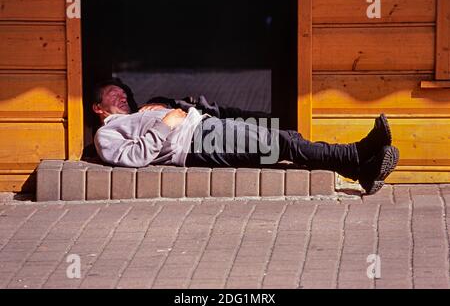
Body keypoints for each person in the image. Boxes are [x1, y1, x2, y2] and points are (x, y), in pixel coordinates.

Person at [91, 78, 399, 195]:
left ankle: (359, 169)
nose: (121, 97)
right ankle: (355, 154)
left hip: (204, 129)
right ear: (97, 107)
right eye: (112, 94)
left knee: (284, 140)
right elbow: (132, 158)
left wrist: (167, 109)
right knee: (281, 144)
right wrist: (167, 122)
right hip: (198, 141)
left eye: (123, 93)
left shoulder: (137, 112)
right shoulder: (105, 135)